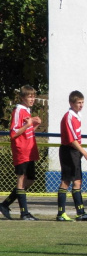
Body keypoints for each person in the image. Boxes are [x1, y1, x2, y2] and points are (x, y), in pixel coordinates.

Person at [0, 85, 42, 221]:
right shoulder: (18, 110)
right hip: (21, 150)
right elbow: (13, 134)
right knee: (22, 179)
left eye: (33, 96)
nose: (32, 99)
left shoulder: (27, 110)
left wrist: (34, 125)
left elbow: (27, 131)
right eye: (29, 96)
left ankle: (5, 204)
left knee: (30, 180)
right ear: (22, 97)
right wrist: (27, 124)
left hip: (29, 150)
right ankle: (24, 213)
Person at [56, 90, 87, 221]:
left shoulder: (77, 116)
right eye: (78, 102)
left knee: (78, 181)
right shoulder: (69, 116)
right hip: (68, 151)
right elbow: (72, 139)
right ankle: (61, 213)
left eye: (82, 102)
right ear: (71, 103)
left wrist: (80, 153)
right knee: (66, 181)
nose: (81, 105)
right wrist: (84, 152)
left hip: (75, 152)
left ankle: (80, 213)